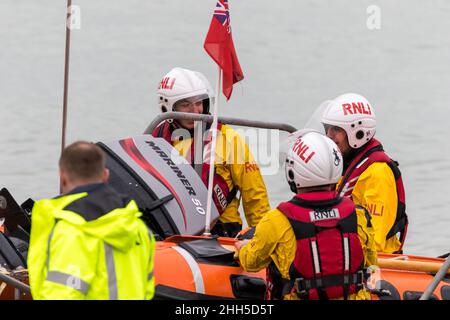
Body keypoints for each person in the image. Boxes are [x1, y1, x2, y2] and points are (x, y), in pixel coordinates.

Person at [235, 131, 377, 300]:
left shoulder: (277, 220)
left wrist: (242, 248)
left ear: (292, 172)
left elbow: (252, 262)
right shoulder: (358, 215)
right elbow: (371, 262)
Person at [28, 141, 155, 300]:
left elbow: (61, 295)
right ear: (105, 175)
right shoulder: (139, 228)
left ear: (62, 177)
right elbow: (147, 289)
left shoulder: (72, 229)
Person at [152, 67, 270, 237]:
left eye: (199, 103)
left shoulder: (228, 138)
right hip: (170, 227)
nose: (196, 111)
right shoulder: (156, 137)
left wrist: (262, 238)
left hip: (221, 229)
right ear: (167, 107)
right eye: (186, 104)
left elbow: (254, 194)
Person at [321, 93, 407, 254]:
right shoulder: (344, 166)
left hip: (380, 266)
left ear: (358, 132)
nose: (329, 136)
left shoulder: (377, 173)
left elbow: (375, 242)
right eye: (327, 129)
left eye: (336, 130)